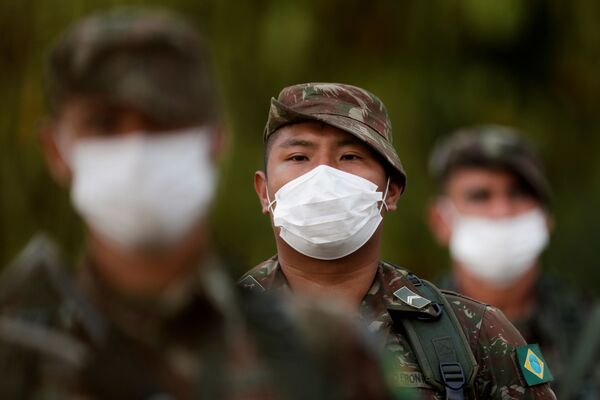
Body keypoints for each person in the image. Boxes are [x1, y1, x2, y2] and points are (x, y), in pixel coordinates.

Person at [0, 10, 392, 399]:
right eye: (104, 125)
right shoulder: (17, 352)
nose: (137, 149)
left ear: (215, 139)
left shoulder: (321, 352)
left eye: (164, 119)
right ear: (56, 150)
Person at [239, 82, 556, 399]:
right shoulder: (214, 325)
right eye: (298, 157)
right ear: (263, 191)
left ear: (390, 191)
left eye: (350, 156)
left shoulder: (477, 334)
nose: (323, 174)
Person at [427, 125, 595, 398]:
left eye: (518, 194)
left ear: (546, 216)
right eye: (480, 195)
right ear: (440, 221)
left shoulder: (590, 333)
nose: (502, 211)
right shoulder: (404, 332)